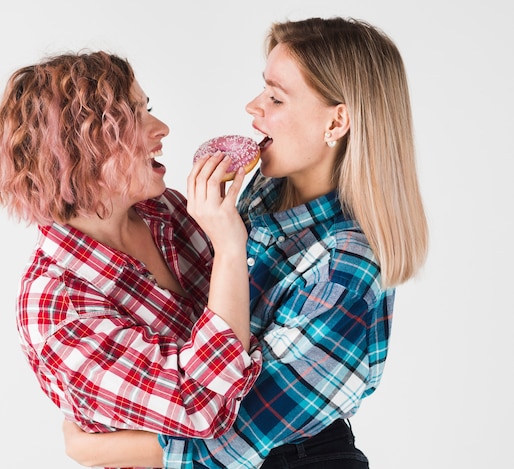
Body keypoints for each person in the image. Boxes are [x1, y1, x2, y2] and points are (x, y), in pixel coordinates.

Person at [62, 16, 429, 469]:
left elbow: (236, 437)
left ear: (337, 122)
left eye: (275, 97)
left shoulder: (346, 266)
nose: (252, 107)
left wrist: (93, 448)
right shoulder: (263, 192)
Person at [0, 50, 264, 468]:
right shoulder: (56, 303)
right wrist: (228, 249)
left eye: (147, 109)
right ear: (78, 148)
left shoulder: (169, 210)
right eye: (133, 117)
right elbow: (201, 405)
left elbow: (265, 329)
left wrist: (93, 448)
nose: (162, 128)